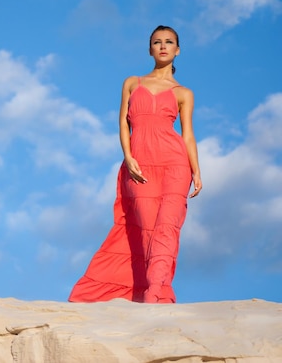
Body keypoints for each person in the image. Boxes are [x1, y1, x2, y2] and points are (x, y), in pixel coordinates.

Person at [69, 25, 202, 304]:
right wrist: (128, 157)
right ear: (150, 49)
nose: (163, 46)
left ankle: (155, 295)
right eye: (157, 42)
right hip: (139, 166)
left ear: (178, 50)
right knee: (144, 230)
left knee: (166, 229)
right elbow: (122, 123)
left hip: (175, 165)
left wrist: (196, 171)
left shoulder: (183, 93)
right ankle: (141, 293)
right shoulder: (132, 83)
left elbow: (188, 135)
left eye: (169, 42)